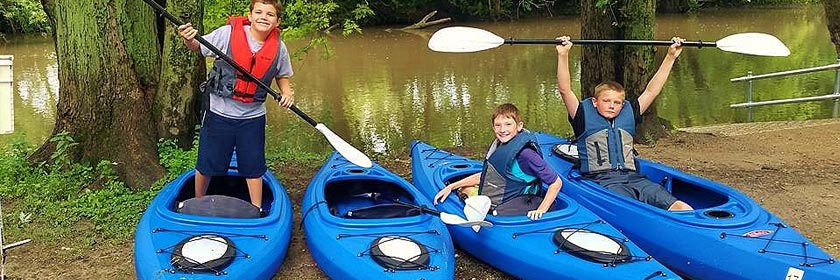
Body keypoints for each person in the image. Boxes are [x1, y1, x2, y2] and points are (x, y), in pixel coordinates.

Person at [177, 0, 294, 213]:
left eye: (270, 14)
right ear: (249, 16)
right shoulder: (227, 34)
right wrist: (188, 39)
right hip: (219, 113)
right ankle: (197, 202)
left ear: (277, 22)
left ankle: (256, 209)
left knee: (253, 165)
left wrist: (286, 93)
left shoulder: (279, 48)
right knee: (207, 162)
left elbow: (282, 75)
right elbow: (198, 47)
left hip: (252, 117)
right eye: (258, 12)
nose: (263, 17)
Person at [555, 35, 693, 211]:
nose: (612, 106)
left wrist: (671, 57)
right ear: (595, 101)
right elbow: (565, 90)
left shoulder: (630, 112)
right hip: (602, 181)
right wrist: (563, 54)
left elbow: (652, 91)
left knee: (681, 206)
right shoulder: (581, 114)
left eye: (617, 102)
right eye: (606, 101)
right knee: (634, 209)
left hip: (635, 178)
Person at [433, 103, 563, 220]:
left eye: (508, 124)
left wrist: (542, 209)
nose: (502, 130)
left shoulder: (526, 155)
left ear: (519, 126)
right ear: (493, 127)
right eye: (498, 125)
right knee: (463, 188)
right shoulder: (502, 146)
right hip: (502, 194)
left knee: (465, 190)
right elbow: (486, 176)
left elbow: (556, 182)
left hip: (514, 203)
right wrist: (451, 186)